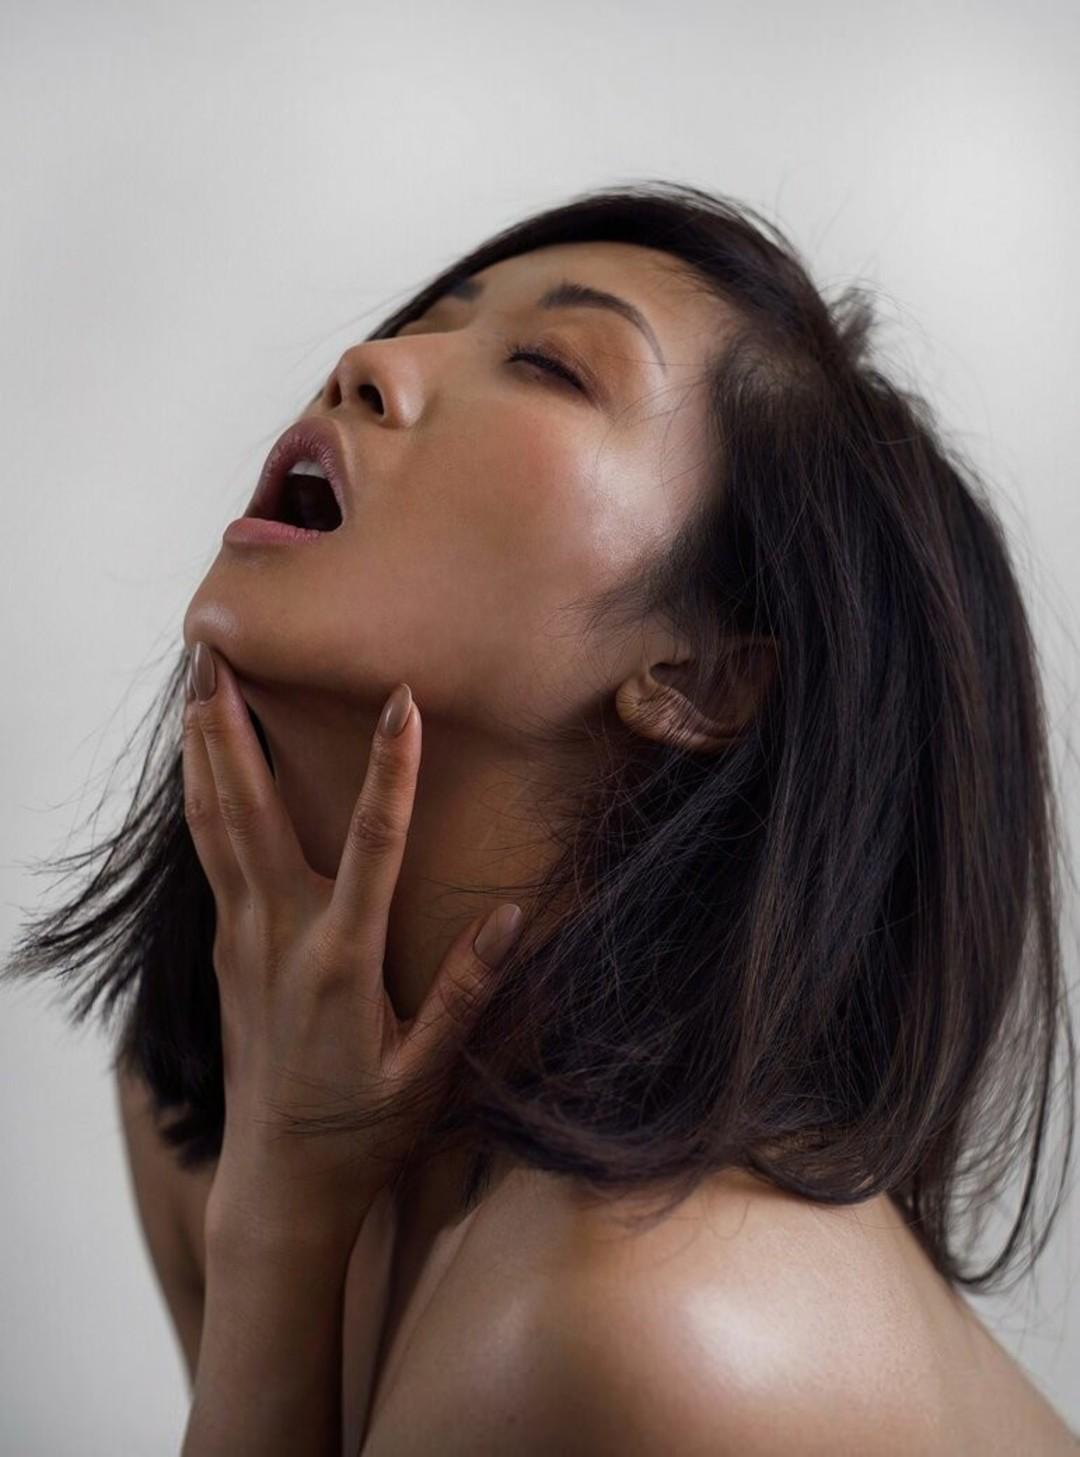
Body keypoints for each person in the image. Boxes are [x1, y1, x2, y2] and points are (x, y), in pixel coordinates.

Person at [6, 181, 1077, 1454]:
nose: (368, 364)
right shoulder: (221, 1114)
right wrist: (277, 1228)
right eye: (424, 323)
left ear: (698, 675)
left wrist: (276, 1240)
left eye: (551, 366)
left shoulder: (630, 1321)